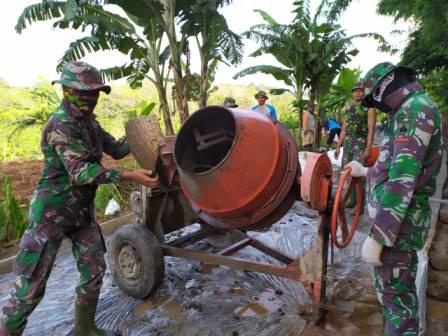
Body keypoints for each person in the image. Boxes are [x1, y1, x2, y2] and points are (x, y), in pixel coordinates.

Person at [0, 61, 159, 336]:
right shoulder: (60, 125)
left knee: (94, 271)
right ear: (65, 90)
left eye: (94, 92)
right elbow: (81, 172)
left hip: (81, 214)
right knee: (32, 286)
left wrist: (143, 137)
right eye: (83, 92)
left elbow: (117, 150)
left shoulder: (90, 124)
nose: (90, 98)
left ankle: (84, 330)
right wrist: (131, 176)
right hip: (51, 214)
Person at [345, 62, 442, 336]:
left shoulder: (415, 110)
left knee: (397, 305)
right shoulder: (406, 111)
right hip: (396, 228)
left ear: (386, 85)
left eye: (373, 98)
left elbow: (402, 180)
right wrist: (365, 171)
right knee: (393, 300)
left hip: (398, 230)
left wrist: (378, 236)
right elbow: (394, 166)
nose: (375, 105)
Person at [335, 82, 376, 166]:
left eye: (360, 91)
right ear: (352, 93)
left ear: (364, 93)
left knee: (358, 171)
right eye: (355, 91)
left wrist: (368, 148)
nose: (357, 93)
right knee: (345, 171)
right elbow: (343, 129)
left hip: (361, 144)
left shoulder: (369, 109)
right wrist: (338, 146)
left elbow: (371, 130)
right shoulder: (348, 108)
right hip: (347, 143)